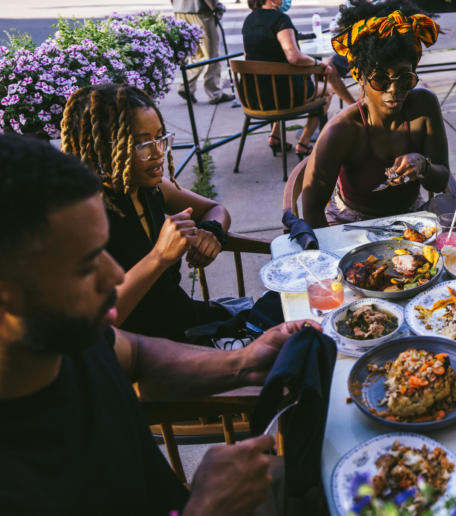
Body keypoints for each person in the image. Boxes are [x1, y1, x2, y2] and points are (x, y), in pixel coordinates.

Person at [0, 133, 321, 514]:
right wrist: (204, 508)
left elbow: (136, 354)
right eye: (86, 265)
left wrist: (244, 362)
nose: (115, 275)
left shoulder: (70, 335)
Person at [61, 84, 234, 342]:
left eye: (160, 137)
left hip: (186, 323)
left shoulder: (151, 188)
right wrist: (159, 257)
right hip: (146, 354)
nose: (158, 153)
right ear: (102, 147)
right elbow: (100, 325)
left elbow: (215, 209)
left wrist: (211, 231)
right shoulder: (85, 220)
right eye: (142, 144)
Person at [300, 0, 451, 227]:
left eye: (404, 78)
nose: (393, 89)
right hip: (350, 224)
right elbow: (311, 211)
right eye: (380, 78)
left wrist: (423, 166)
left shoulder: (424, 108)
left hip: (409, 221)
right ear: (360, 77)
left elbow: (440, 181)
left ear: (414, 71)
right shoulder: (341, 131)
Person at [243, 0, 334, 159]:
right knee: (327, 91)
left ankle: (275, 136)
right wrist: (318, 64)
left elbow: (247, 56)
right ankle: (304, 143)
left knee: (283, 83)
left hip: (254, 96)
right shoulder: (280, 20)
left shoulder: (248, 20)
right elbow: (294, 57)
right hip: (284, 96)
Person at [172, 0, 236, 104]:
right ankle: (214, 92)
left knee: (197, 54)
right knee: (211, 55)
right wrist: (215, 6)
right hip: (200, 10)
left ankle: (186, 87)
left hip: (181, 9)